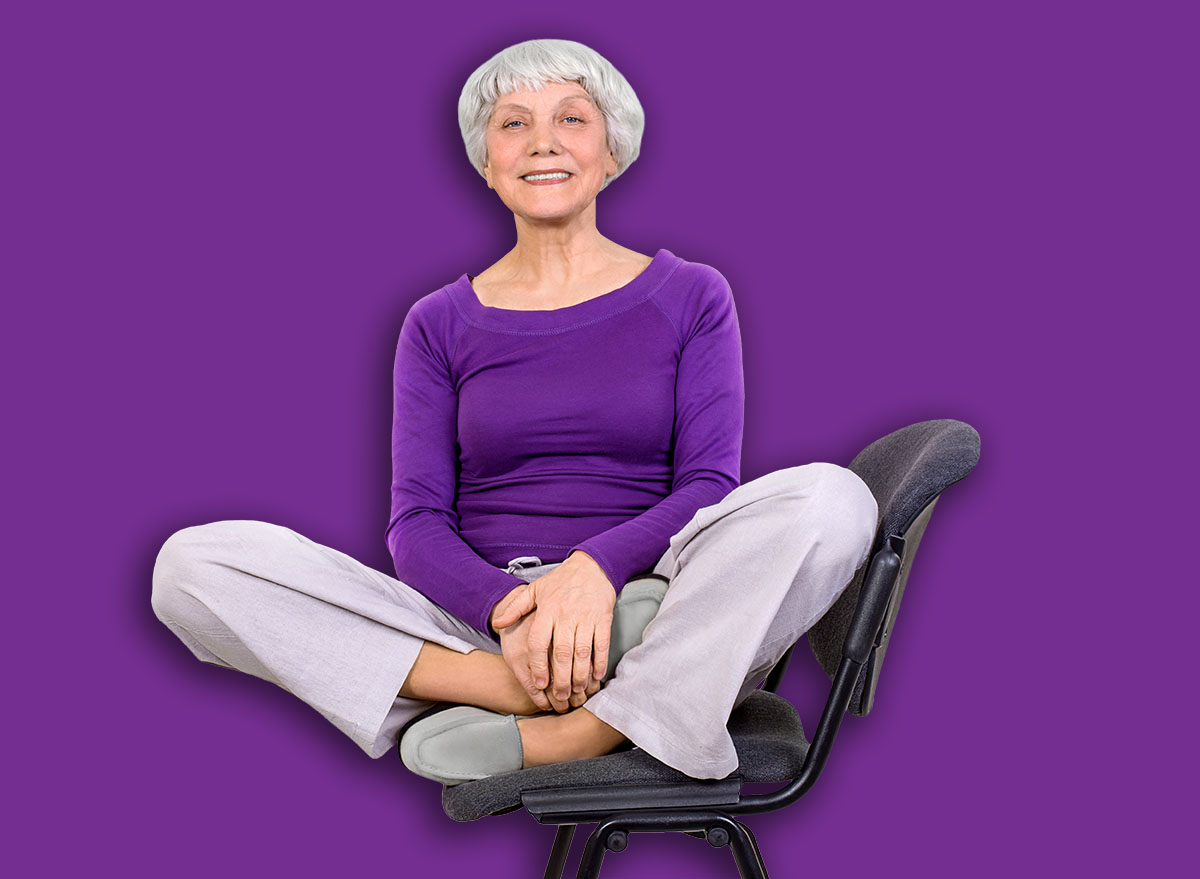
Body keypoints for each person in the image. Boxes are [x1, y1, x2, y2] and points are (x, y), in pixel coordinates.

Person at [151, 38, 879, 785]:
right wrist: (514, 612)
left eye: (571, 118)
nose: (543, 143)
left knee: (835, 498)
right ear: (488, 165)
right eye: (513, 124)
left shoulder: (694, 294)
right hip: (479, 623)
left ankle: (589, 727)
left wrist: (593, 572)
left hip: (653, 607)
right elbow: (417, 522)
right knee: (190, 566)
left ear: (612, 152)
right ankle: (521, 690)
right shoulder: (436, 322)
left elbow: (707, 488)